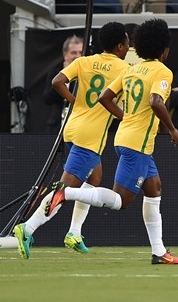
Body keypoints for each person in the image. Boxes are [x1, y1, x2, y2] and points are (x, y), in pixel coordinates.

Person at [44, 18, 178, 266]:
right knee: (121, 201)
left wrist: (126, 117)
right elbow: (156, 101)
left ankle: (159, 251)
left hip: (125, 138)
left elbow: (104, 97)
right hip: (138, 143)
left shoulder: (132, 69)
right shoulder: (162, 71)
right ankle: (66, 193)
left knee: (154, 189)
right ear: (165, 49)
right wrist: (172, 129)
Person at [13, 23, 129, 259]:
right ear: (119, 46)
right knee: (64, 190)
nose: (129, 47)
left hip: (73, 128)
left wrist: (76, 101)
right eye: (127, 43)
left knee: (94, 178)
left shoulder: (84, 61)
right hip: (90, 136)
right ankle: (28, 228)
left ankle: (74, 233)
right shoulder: (124, 68)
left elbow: (57, 81)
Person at [41, 34, 83, 133]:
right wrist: (65, 75)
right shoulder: (56, 73)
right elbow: (47, 99)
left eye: (80, 52)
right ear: (65, 54)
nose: (77, 56)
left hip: (80, 125)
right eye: (73, 52)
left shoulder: (87, 74)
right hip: (57, 125)